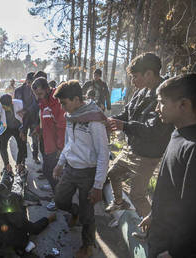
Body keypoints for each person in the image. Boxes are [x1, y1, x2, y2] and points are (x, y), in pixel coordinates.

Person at [137, 74, 196, 258]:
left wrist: (176, 251)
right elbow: (170, 187)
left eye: (161, 102)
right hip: (160, 238)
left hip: (173, 248)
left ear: (183, 104)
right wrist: (154, 215)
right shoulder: (178, 135)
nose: (157, 108)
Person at [106, 53, 174, 217]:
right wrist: (109, 120)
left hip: (147, 155)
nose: (132, 81)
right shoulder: (140, 92)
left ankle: (151, 229)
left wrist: (125, 126)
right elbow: (126, 114)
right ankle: (119, 202)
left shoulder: (165, 96)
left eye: (135, 76)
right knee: (113, 174)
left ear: (149, 74)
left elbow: (153, 131)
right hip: (132, 148)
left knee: (137, 195)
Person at [52, 80, 110, 257]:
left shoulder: (94, 119)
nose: (62, 108)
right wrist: (60, 163)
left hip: (87, 173)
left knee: (88, 213)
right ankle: (73, 211)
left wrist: (98, 185)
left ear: (77, 99)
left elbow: (103, 154)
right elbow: (69, 143)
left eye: (64, 103)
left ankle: (88, 246)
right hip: (70, 168)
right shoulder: (72, 116)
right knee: (60, 200)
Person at [31, 77, 66, 211]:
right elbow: (45, 119)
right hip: (47, 142)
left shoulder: (56, 101)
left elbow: (62, 126)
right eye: (36, 95)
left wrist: (60, 147)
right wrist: (38, 129)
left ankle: (58, 199)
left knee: (51, 172)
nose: (38, 97)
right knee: (49, 171)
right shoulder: (43, 101)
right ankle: (54, 189)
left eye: (40, 94)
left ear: (47, 89)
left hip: (56, 146)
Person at [0, 94, 27, 173]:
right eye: (3, 106)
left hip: (18, 127)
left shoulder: (20, 104)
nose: (4, 108)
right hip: (6, 128)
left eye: (6, 106)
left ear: (11, 103)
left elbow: (27, 118)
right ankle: (7, 165)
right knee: (3, 146)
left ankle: (19, 164)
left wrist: (24, 131)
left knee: (22, 145)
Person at [14, 72, 41, 164]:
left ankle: (35, 156)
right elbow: (15, 104)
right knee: (22, 140)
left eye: (32, 82)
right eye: (29, 82)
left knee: (35, 139)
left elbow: (37, 104)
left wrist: (26, 110)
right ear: (26, 80)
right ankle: (22, 160)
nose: (31, 84)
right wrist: (18, 112)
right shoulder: (18, 90)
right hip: (22, 119)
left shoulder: (37, 90)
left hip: (34, 118)